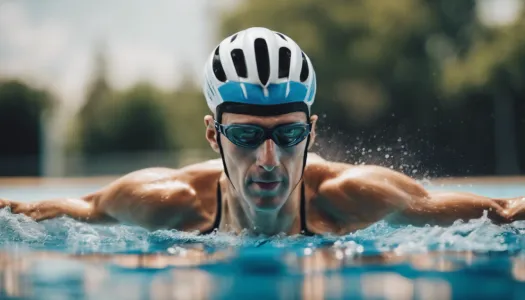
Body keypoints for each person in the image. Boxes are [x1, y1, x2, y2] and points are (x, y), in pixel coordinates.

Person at [1, 27, 524, 236]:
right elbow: (64, 212)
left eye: (290, 136)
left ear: (312, 132)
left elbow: (501, 216)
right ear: (213, 135)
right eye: (248, 136)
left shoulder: (355, 198)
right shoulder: (166, 202)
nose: (270, 159)